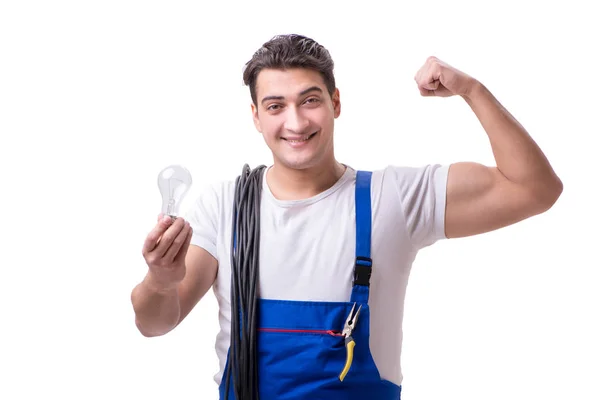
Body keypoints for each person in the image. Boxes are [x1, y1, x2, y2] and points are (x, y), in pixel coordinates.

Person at [130, 34, 563, 399]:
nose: (296, 122)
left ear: (336, 103)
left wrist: (472, 90)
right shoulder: (222, 207)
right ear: (256, 117)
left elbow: (534, 189)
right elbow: (154, 323)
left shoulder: (395, 199)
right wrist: (162, 281)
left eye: (310, 100)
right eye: (276, 106)